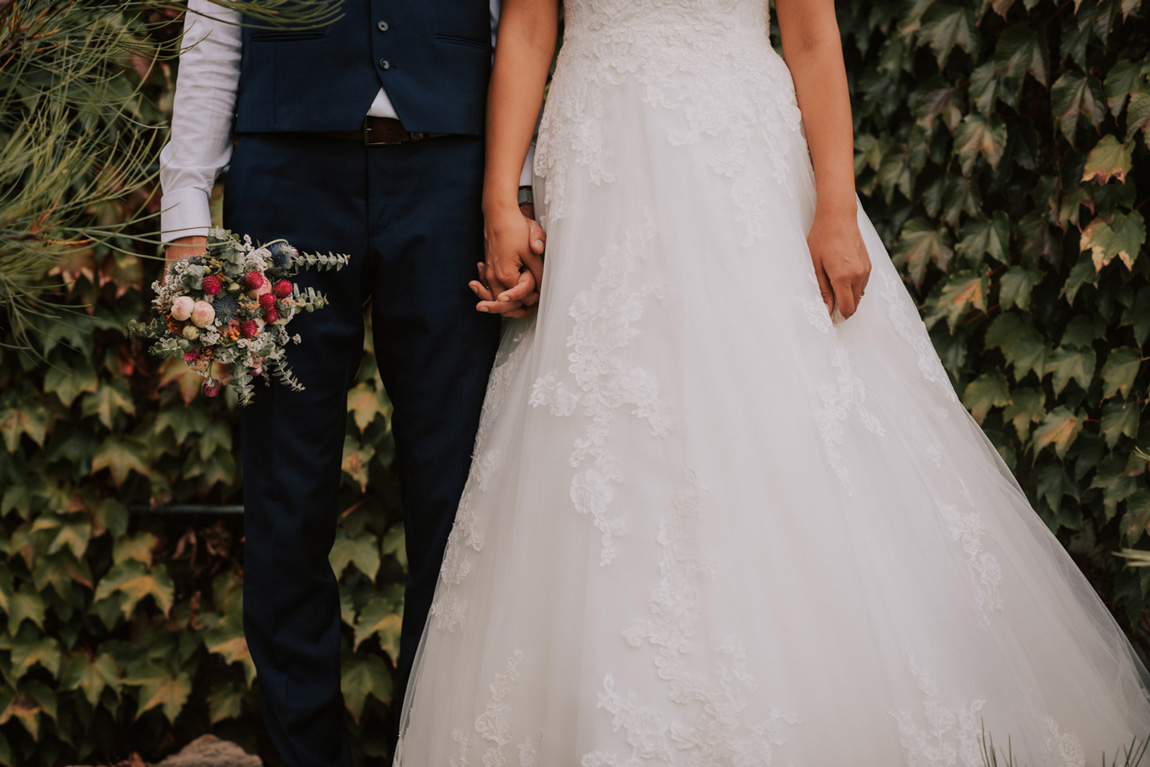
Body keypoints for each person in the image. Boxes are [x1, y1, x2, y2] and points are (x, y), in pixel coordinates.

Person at [393, 0, 1150, 762]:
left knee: (780, 432)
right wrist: (499, 199)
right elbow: (526, 28)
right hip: (599, 176)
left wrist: (837, 206)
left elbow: (814, 37)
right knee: (599, 454)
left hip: (737, 174)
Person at [158, 1, 544, 764]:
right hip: (284, 180)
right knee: (286, 492)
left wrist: (521, 192)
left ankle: (430, 745)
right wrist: (184, 218)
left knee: (455, 494)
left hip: (452, 178)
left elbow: (518, 26)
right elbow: (212, 18)